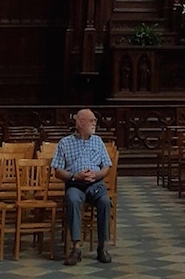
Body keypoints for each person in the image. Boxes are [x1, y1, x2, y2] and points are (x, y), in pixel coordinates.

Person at [51, 108, 113, 265]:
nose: (94, 123)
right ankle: (76, 247)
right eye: (91, 120)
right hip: (75, 184)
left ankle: (102, 247)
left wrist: (96, 175)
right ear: (80, 123)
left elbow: (106, 166)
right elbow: (57, 170)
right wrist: (74, 176)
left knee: (105, 202)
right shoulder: (65, 143)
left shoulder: (98, 141)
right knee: (72, 199)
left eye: (94, 121)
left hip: (95, 184)